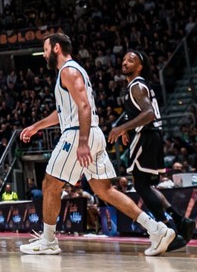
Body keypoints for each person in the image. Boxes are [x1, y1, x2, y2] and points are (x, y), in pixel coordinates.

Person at [19, 33, 175, 256]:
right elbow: (65, 111)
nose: (44, 55)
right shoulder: (72, 72)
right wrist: (37, 126)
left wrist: (82, 142)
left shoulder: (69, 71)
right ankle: (156, 229)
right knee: (105, 190)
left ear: (56, 48)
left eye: (45, 50)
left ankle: (49, 241)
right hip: (91, 133)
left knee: (50, 184)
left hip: (77, 135)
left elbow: (83, 107)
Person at [107, 49, 191, 251]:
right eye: (125, 59)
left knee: (141, 186)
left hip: (146, 137)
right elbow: (140, 113)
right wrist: (128, 126)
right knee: (147, 185)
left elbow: (149, 114)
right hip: (151, 137)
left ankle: (169, 231)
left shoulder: (136, 85)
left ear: (140, 66)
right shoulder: (136, 86)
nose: (125, 62)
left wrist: (122, 128)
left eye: (131, 60)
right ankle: (179, 221)